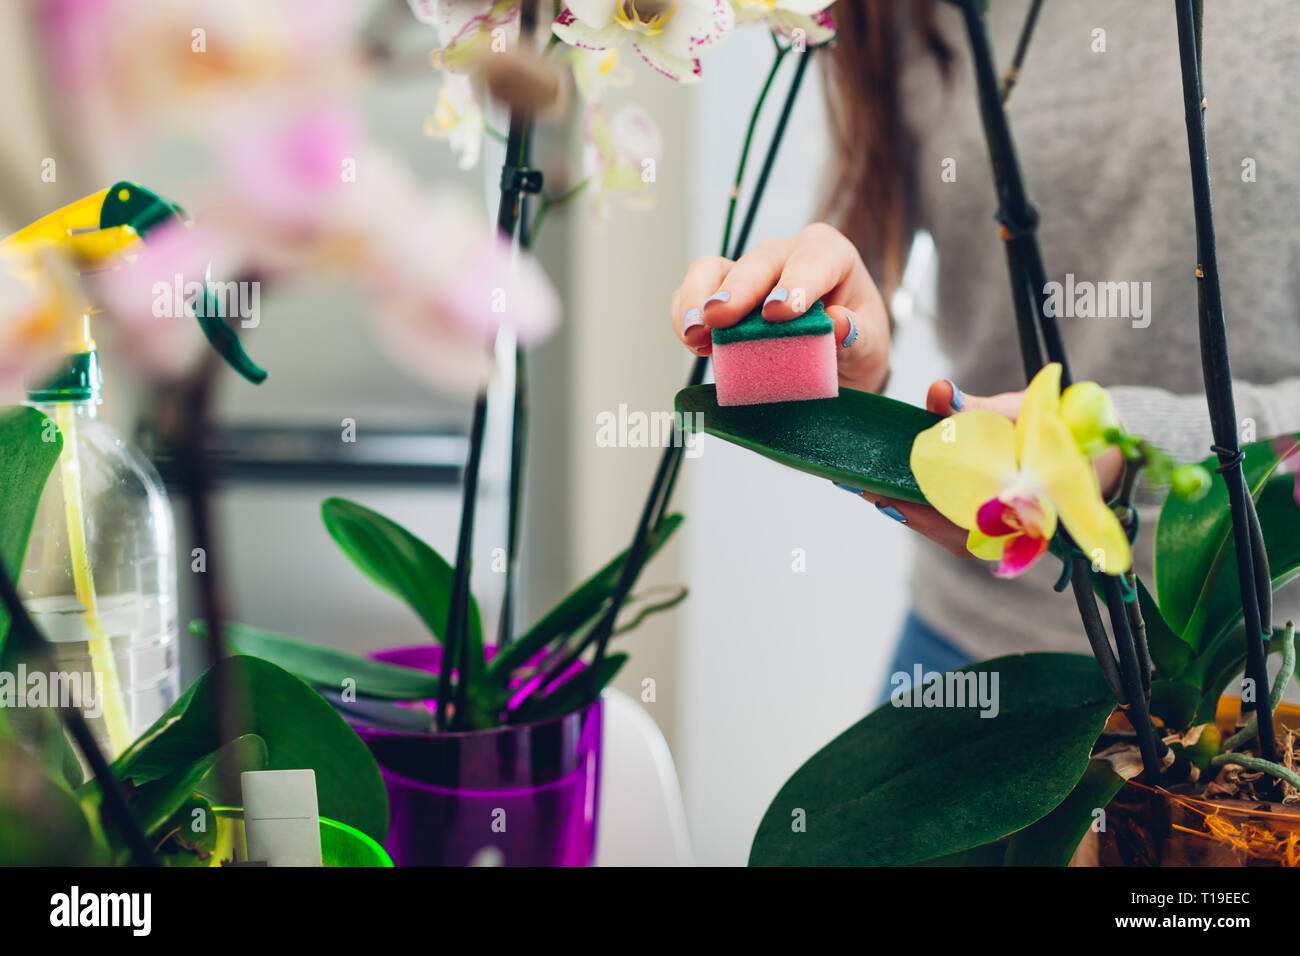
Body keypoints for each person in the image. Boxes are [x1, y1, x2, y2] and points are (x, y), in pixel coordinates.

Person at [668, 1, 1300, 681]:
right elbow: (864, 282)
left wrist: (1135, 446)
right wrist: (830, 346)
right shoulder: (907, 14)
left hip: (1260, 690)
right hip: (969, 658)